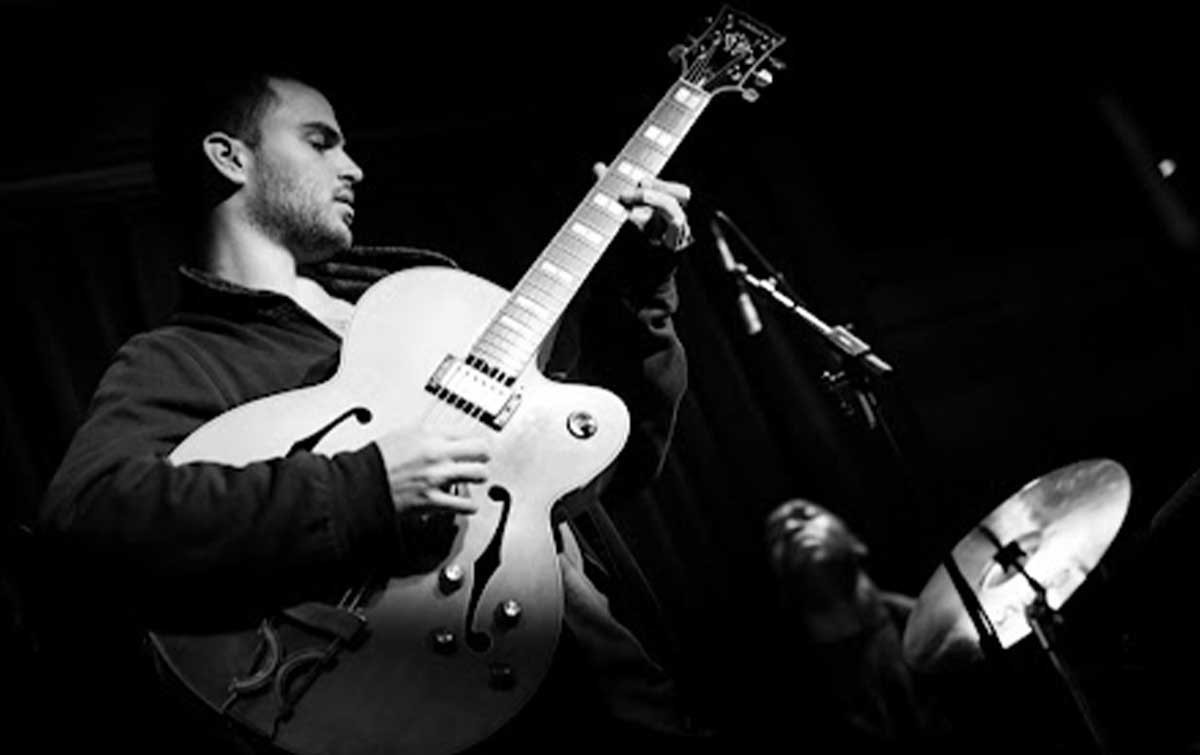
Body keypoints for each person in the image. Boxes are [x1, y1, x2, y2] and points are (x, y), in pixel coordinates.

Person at [37, 68, 704, 755]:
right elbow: (89, 515)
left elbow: (615, 462)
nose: (353, 167)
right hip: (426, 701)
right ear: (228, 156)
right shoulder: (182, 357)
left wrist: (642, 286)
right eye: (320, 141)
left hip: (612, 685)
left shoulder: (425, 301)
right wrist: (363, 489)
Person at [763, 498, 952, 753]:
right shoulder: (784, 688)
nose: (791, 528)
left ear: (855, 542)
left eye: (805, 515)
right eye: (777, 536)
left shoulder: (941, 626)